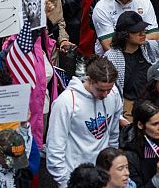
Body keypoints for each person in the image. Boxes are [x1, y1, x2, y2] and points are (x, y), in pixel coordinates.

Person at [46, 58, 123, 187]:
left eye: (108, 90)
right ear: (90, 80)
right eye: (100, 89)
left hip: (103, 177)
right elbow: (55, 147)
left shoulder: (114, 94)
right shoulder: (66, 102)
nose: (105, 94)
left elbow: (113, 136)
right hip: (76, 178)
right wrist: (65, 183)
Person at [103, 8, 159, 104]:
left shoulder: (149, 47)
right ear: (124, 34)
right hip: (125, 109)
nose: (143, 33)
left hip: (154, 106)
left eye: (143, 29)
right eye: (137, 31)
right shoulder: (111, 58)